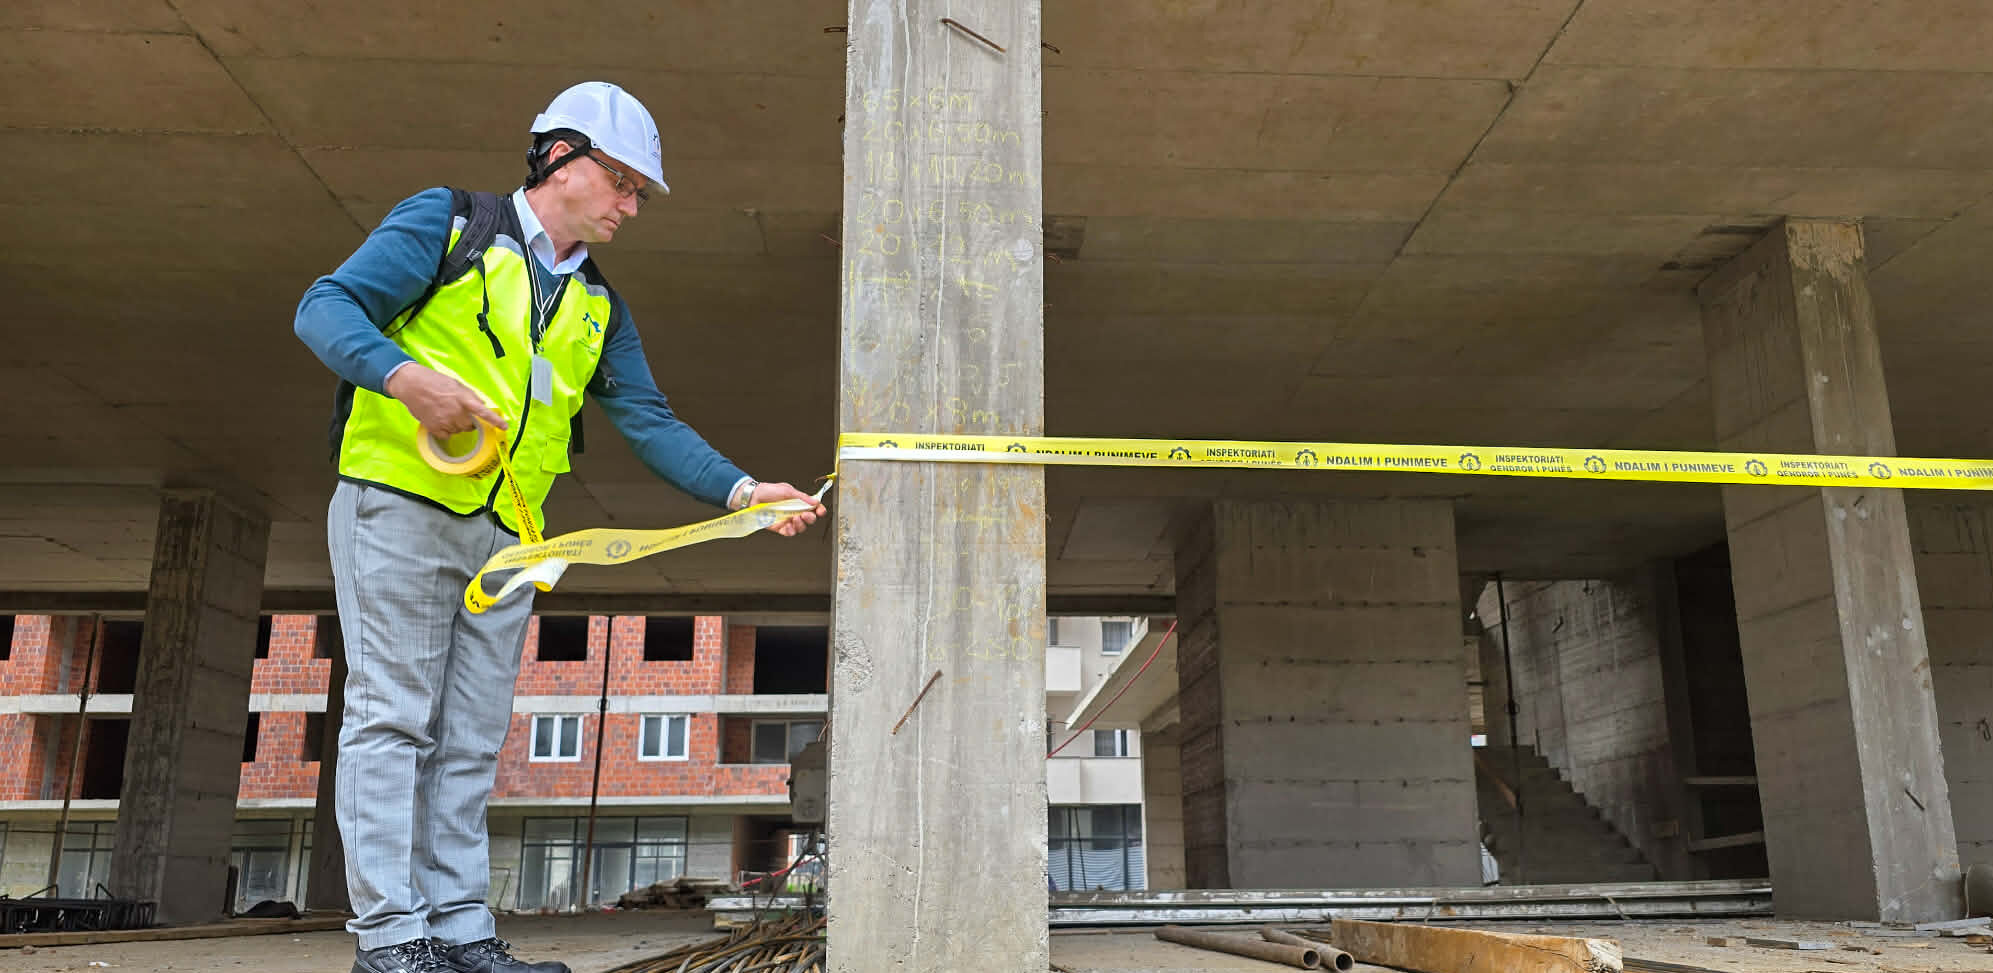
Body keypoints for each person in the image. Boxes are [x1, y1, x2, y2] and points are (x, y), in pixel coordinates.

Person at [295, 82, 824, 973]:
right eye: (621, 182)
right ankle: (390, 942)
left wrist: (740, 491)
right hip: (398, 503)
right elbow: (325, 307)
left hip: (511, 540)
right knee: (392, 721)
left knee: (468, 739)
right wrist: (402, 377)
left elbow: (649, 420)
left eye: (637, 193)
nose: (629, 205)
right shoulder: (450, 225)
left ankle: (460, 935)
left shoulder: (597, 307)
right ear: (560, 157)